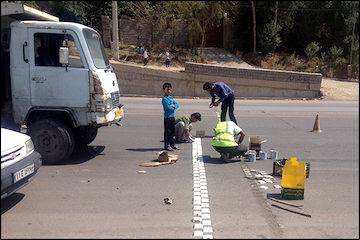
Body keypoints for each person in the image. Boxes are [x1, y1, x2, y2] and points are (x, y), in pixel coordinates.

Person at [162, 82, 180, 151]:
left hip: (172, 116)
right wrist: (173, 106)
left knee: (172, 131)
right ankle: (167, 145)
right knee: (167, 132)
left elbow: (177, 105)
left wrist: (173, 106)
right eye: (167, 90)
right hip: (167, 118)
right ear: (164, 90)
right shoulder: (164, 99)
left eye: (170, 89)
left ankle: (172, 144)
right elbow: (168, 108)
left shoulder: (171, 98)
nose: (169, 91)